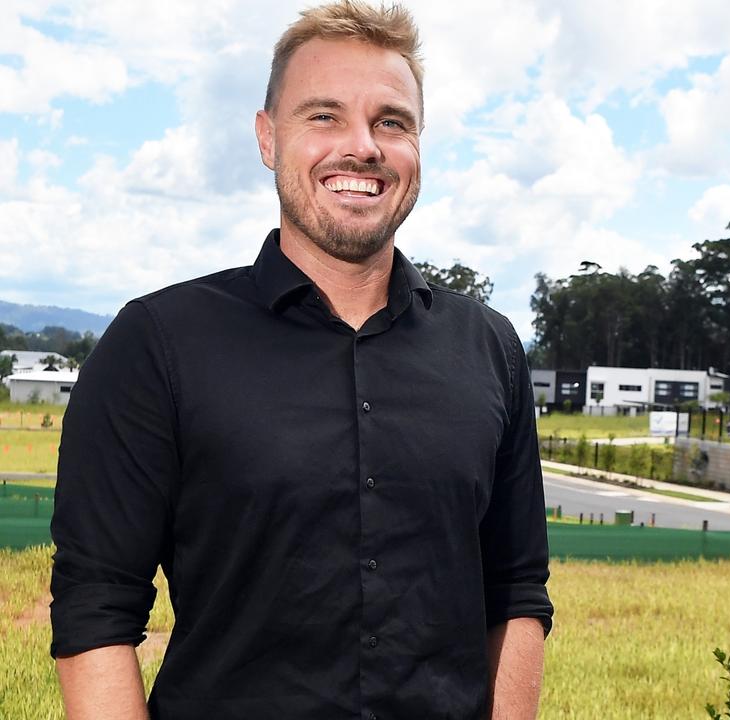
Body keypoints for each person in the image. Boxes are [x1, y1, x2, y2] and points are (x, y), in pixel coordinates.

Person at [49, 2, 553, 718]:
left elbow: (516, 589)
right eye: (323, 116)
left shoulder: (491, 349)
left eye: (391, 121)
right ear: (266, 136)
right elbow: (95, 604)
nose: (362, 147)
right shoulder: (156, 343)